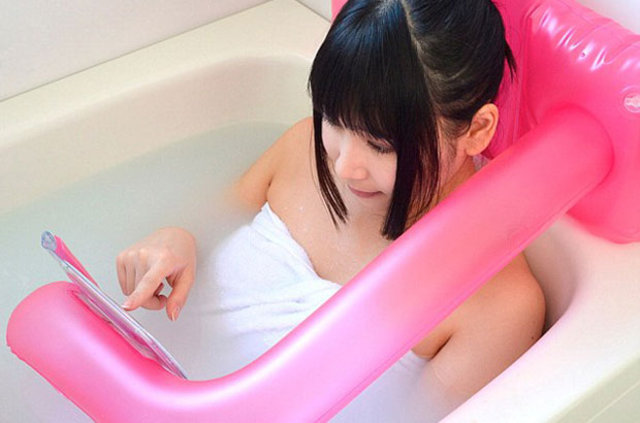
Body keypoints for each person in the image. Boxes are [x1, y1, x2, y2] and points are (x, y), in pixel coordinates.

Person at [116, 0, 545, 419]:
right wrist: (174, 240)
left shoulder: (497, 307)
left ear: (477, 130)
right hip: (128, 389)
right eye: (334, 120)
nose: (344, 166)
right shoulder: (303, 147)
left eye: (380, 145)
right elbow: (208, 224)